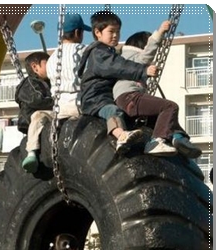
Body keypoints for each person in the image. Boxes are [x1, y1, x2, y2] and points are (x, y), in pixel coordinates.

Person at [114, 24, 201, 158]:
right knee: (169, 106)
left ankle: (178, 136)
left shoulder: (125, 61)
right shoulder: (130, 57)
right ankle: (156, 142)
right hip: (129, 97)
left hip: (128, 99)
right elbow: (146, 55)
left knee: (164, 116)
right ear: (142, 46)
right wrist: (160, 33)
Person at [78, 11, 158, 154]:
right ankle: (121, 135)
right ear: (97, 32)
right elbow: (118, 66)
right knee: (112, 111)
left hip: (104, 96)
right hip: (96, 99)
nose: (116, 35)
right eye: (111, 31)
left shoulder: (108, 52)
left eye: (118, 31)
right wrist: (142, 71)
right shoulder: (99, 53)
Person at [46, 14, 91, 119]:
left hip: (59, 109)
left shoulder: (52, 58)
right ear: (77, 32)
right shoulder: (85, 51)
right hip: (81, 105)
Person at [15, 52, 54, 173]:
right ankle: (31, 152)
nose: (52, 66)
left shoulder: (50, 82)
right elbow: (36, 100)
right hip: (34, 117)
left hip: (50, 114)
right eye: (47, 64)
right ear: (35, 67)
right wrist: (56, 101)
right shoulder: (28, 84)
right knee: (38, 116)